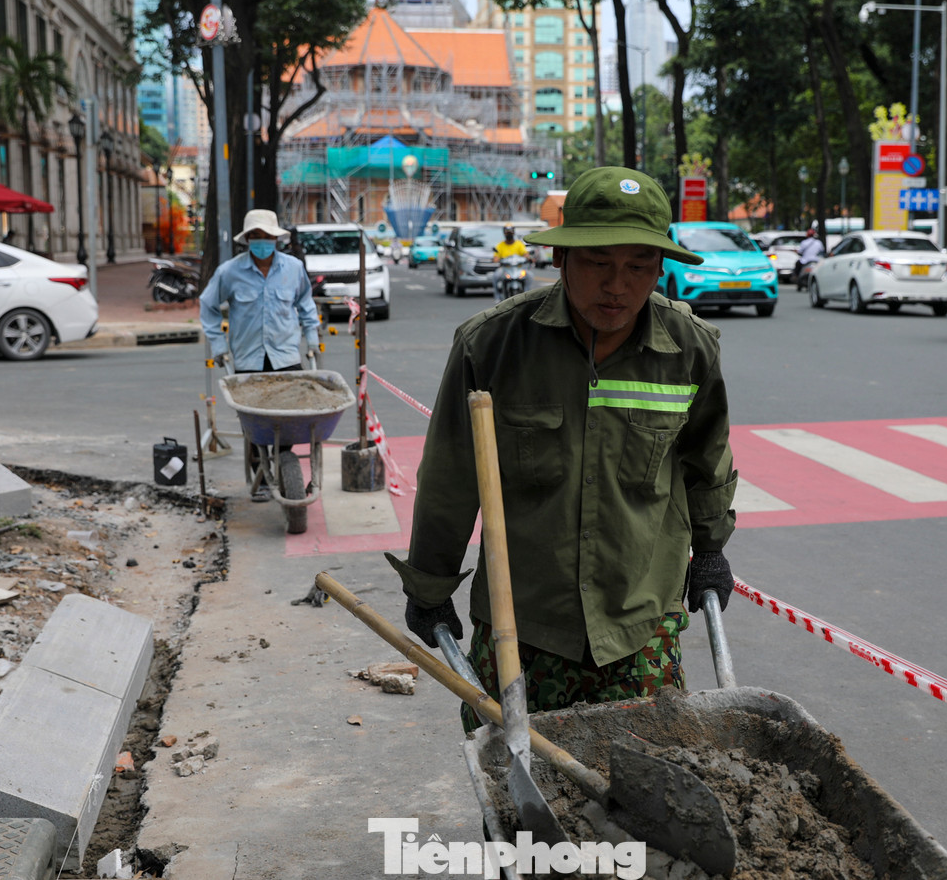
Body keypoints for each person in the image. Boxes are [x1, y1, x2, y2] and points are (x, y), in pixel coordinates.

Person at [386, 167, 739, 732]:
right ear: (561, 258)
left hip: (640, 624)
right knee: (518, 798)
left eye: (639, 266)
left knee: (646, 794)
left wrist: (713, 548)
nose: (617, 286)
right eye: (599, 262)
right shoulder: (492, 346)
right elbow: (452, 479)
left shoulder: (689, 348)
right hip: (522, 624)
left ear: (660, 269)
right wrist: (429, 584)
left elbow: (706, 459)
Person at [200, 209, 320, 505]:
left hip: (286, 356)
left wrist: (312, 337)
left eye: (267, 236)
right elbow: (208, 306)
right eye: (256, 236)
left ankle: (285, 463)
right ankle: (261, 476)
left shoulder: (292, 268)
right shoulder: (230, 272)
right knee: (254, 422)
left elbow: (305, 302)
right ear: (248, 240)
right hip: (248, 359)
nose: (262, 241)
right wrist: (218, 345)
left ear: (276, 239)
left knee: (289, 417)